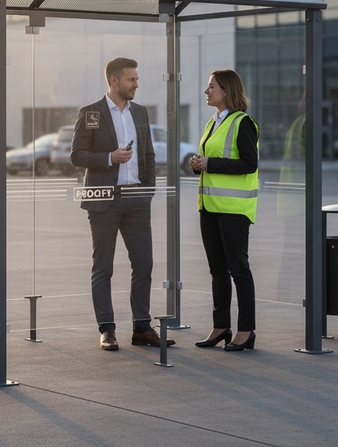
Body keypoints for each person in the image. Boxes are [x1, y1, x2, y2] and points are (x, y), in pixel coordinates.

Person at [71, 57, 175, 351]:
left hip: (136, 200)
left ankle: (142, 327)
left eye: (137, 79)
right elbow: (77, 155)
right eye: (131, 80)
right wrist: (109, 158)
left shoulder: (140, 113)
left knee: (144, 264)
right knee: (103, 267)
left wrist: (148, 191)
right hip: (103, 200)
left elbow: (149, 156)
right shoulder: (91, 113)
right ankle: (107, 330)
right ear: (114, 80)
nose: (136, 84)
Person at [189, 69, 259, 352]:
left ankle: (246, 330)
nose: (207, 92)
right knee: (217, 271)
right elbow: (212, 159)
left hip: (233, 209)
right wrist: (198, 164)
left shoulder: (243, 123)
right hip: (209, 207)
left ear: (227, 90)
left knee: (239, 270)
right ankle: (221, 327)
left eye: (211, 87)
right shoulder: (213, 121)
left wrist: (210, 164)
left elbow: (249, 164)